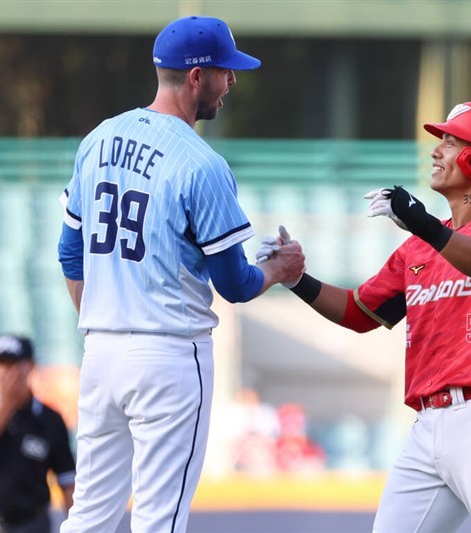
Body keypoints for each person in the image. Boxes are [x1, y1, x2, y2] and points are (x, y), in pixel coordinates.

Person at [56, 15, 305, 533]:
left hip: (100, 351)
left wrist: (108, 326)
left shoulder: (98, 139)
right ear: (196, 77)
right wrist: (279, 269)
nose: (232, 81)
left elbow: (70, 255)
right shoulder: (201, 163)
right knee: (160, 522)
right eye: (225, 71)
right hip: (169, 354)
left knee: (89, 519)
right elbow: (235, 285)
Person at [259, 102, 471, 532]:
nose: (437, 151)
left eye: (451, 141)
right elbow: (360, 312)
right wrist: (296, 278)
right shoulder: (419, 248)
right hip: (428, 423)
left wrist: (425, 225)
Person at [0, 334, 76, 533]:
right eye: (2, 364)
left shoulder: (50, 419)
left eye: (15, 364)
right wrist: (7, 405)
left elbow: (67, 481)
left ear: (31, 366)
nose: (8, 372)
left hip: (31, 523)